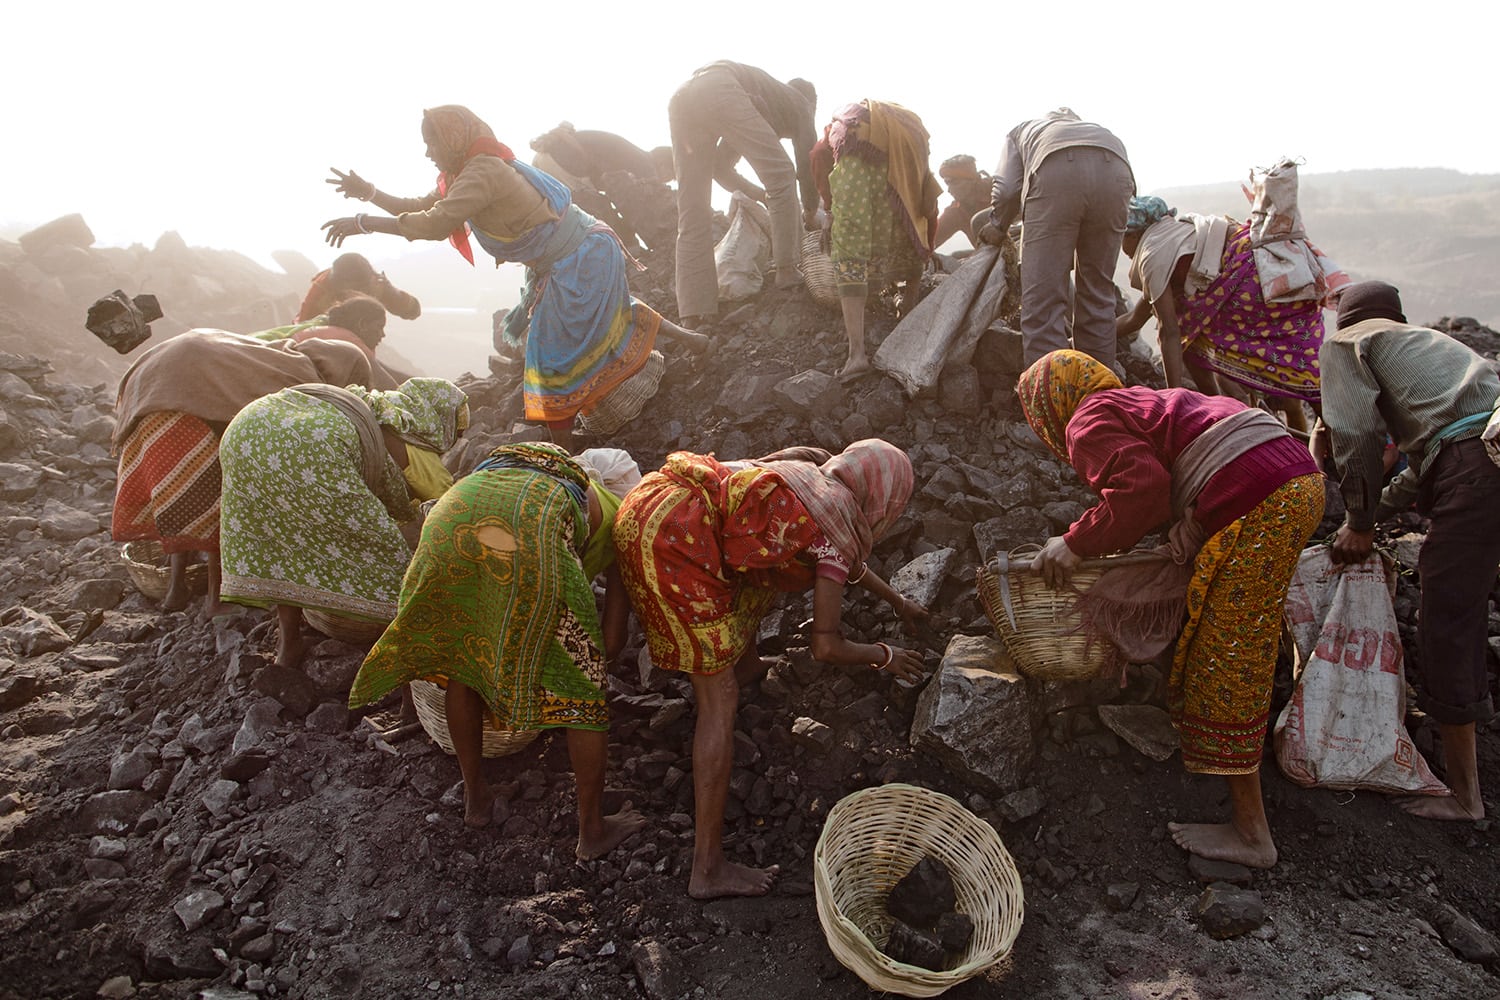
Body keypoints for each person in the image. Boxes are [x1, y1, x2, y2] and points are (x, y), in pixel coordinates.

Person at [1021, 350, 1323, 868]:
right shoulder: (1137, 400)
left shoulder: (1086, 419)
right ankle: (1267, 733)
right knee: (1242, 624)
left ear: (1048, 409)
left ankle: (1252, 833)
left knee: (1223, 654)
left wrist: (1076, 543)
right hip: (1296, 477)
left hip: (1261, 494)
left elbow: (1143, 491)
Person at [612, 441, 927, 897]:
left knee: (760, 570)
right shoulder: (834, 525)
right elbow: (826, 645)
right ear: (884, 496)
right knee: (718, 700)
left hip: (648, 502)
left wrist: (897, 601)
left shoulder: (810, 478)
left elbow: (838, 559)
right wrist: (885, 655)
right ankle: (708, 868)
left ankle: (748, 664)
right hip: (675, 541)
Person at [321, 105, 704, 451]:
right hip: (572, 254)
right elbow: (422, 208)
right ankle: (693, 342)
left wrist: (363, 224)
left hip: (580, 255)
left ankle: (565, 454)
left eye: (430, 142)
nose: (427, 152)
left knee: (547, 355)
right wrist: (368, 193)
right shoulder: (464, 172)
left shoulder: (481, 171)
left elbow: (435, 224)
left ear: (453, 137)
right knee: (606, 312)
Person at [348, 443, 649, 856]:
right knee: (583, 686)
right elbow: (611, 641)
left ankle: (477, 799)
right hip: (527, 531)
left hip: (448, 520)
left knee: (463, 663)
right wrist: (559, 681)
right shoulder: (624, 517)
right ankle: (592, 830)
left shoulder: (513, 471)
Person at [1320, 280, 1500, 822]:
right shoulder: (1433, 347)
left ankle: (1466, 798)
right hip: (1485, 454)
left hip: (1476, 470)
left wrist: (1355, 521)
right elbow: (1429, 466)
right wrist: (1375, 514)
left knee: (1447, 622)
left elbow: (1353, 434)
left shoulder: (1349, 344)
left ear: (1344, 322)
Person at [111, 330, 372, 614]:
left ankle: (176, 589)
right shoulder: (300, 378)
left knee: (181, 502)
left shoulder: (274, 354)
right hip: (180, 403)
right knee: (218, 505)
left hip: (148, 396)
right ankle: (215, 600)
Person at [218, 377, 469, 670]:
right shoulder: (405, 437)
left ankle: (289, 644)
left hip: (248, 429)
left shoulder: (376, 407)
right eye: (458, 431)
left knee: (282, 543)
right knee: (390, 554)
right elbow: (444, 505)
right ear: (442, 421)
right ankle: (403, 649)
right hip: (310, 445)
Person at [1116, 196, 1340, 420]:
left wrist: (1172, 400)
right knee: (1299, 367)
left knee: (1186, 332)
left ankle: (1222, 413)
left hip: (1252, 277)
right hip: (1268, 262)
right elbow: (1135, 319)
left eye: (1121, 238)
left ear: (1134, 234)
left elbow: (1169, 332)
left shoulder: (1152, 254)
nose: (1119, 247)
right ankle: (1221, 411)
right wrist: (1086, 337)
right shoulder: (1174, 236)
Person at [668, 61, 820, 327]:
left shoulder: (762, 102)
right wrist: (809, 210)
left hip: (682, 98)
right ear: (813, 103)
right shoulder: (801, 103)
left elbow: (721, 167)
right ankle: (787, 270)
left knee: (693, 211)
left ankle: (693, 315)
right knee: (783, 173)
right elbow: (806, 166)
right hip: (717, 85)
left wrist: (760, 194)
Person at [982, 109, 1134, 367]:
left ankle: (1051, 397)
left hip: (1054, 169)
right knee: (1098, 297)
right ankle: (1099, 398)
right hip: (1117, 173)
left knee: (1043, 303)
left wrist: (998, 225)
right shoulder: (1097, 130)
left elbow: (1007, 190)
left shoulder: (1022, 131)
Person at [810, 100, 941, 381]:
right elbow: (926, 208)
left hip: (854, 174)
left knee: (849, 250)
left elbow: (819, 157)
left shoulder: (836, 133)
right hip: (900, 171)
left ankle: (857, 355)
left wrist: (830, 213)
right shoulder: (908, 136)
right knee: (906, 229)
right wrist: (926, 245)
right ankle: (908, 314)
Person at [530, 123, 665, 252]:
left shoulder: (633, 154)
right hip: (562, 162)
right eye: (670, 177)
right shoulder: (647, 165)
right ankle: (630, 256)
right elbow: (646, 209)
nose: (665, 183)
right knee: (599, 215)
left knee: (589, 216)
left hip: (543, 162)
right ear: (665, 165)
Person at [290, 295, 409, 390]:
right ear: (362, 325)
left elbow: (382, 368)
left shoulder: (332, 333)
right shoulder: (347, 342)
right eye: (379, 327)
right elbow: (388, 385)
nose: (382, 334)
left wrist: (417, 381)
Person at [296, 252, 421, 323]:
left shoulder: (376, 284)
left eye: (360, 289)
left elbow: (413, 311)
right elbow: (301, 328)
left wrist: (391, 292)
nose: (355, 294)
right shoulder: (321, 290)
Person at [932, 154, 993, 249]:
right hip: (988, 254)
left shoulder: (998, 191)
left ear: (971, 180)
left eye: (954, 182)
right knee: (956, 256)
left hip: (1018, 246)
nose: (949, 190)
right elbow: (930, 241)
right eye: (947, 183)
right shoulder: (955, 211)